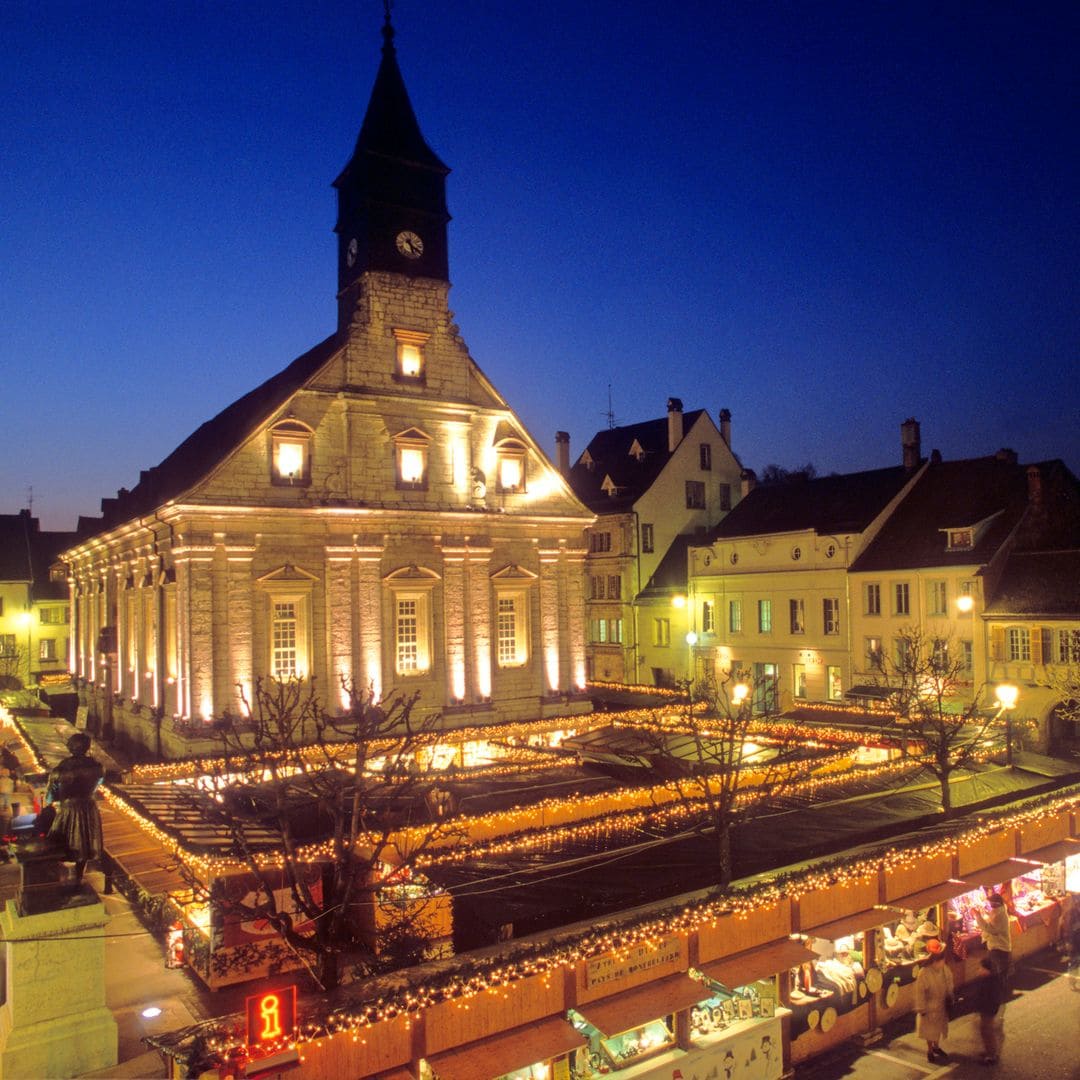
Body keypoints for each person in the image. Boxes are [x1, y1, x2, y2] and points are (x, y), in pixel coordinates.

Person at [45, 733, 105, 883]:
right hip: (88, 809)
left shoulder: (60, 770)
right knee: (85, 845)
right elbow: (97, 786)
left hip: (68, 809)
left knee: (56, 841)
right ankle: (78, 878)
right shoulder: (98, 768)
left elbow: (50, 797)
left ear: (71, 748)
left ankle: (54, 877)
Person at [915, 938, 954, 1063]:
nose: (942, 961)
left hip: (941, 1004)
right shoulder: (924, 972)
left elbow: (949, 982)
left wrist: (950, 996)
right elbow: (920, 991)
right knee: (929, 1030)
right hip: (929, 1006)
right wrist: (921, 1007)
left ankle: (936, 1047)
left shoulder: (944, 969)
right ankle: (930, 1050)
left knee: (938, 1027)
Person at [974, 956, 1007, 1065]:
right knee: (984, 1030)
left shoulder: (991, 981)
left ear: (987, 970)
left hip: (988, 1010)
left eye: (981, 968)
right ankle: (989, 1051)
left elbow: (990, 998)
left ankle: (991, 1055)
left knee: (987, 1031)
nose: (978, 970)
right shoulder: (990, 979)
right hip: (987, 1009)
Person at [975, 892, 1012, 977]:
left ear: (996, 903)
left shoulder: (999, 915)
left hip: (999, 947)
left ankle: (1000, 986)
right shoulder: (998, 911)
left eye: (991, 902)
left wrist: (978, 916)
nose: (990, 904)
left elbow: (991, 929)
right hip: (998, 946)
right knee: (999, 970)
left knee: (998, 971)